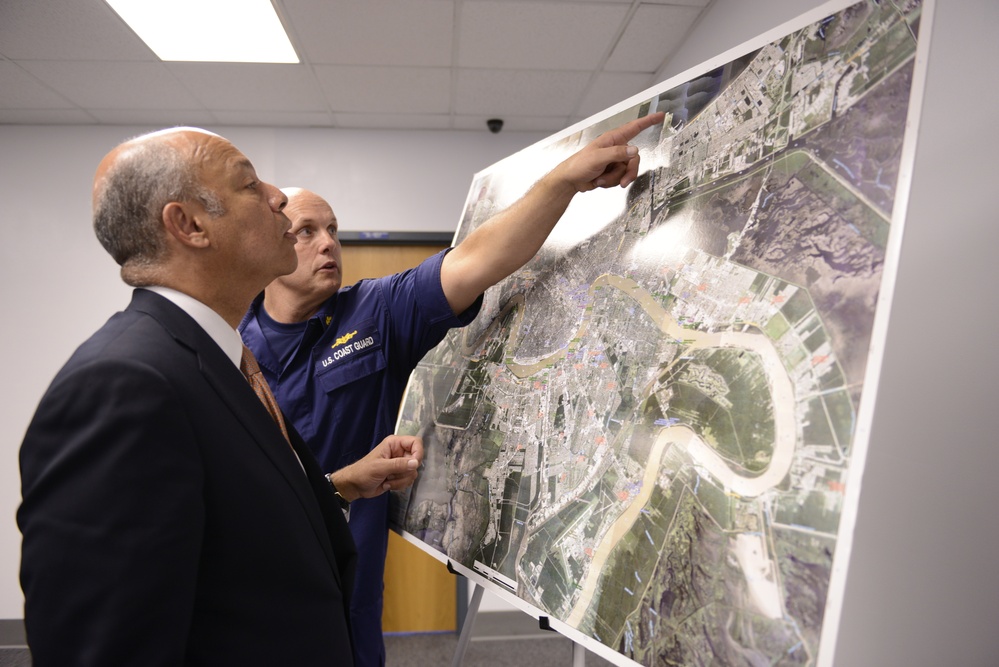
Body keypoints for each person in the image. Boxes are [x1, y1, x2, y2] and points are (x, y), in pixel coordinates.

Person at [238, 111, 667, 665]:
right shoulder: (233, 342)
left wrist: (563, 180)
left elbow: (477, 260)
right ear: (270, 244)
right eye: (306, 232)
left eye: (333, 231)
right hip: (255, 604)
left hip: (345, 607)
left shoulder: (373, 313)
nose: (328, 245)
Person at [17, 127, 424, 667]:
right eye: (250, 184)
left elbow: (231, 534)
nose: (278, 196)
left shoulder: (218, 358)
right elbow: (104, 648)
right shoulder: (123, 384)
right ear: (189, 225)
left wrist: (341, 485)